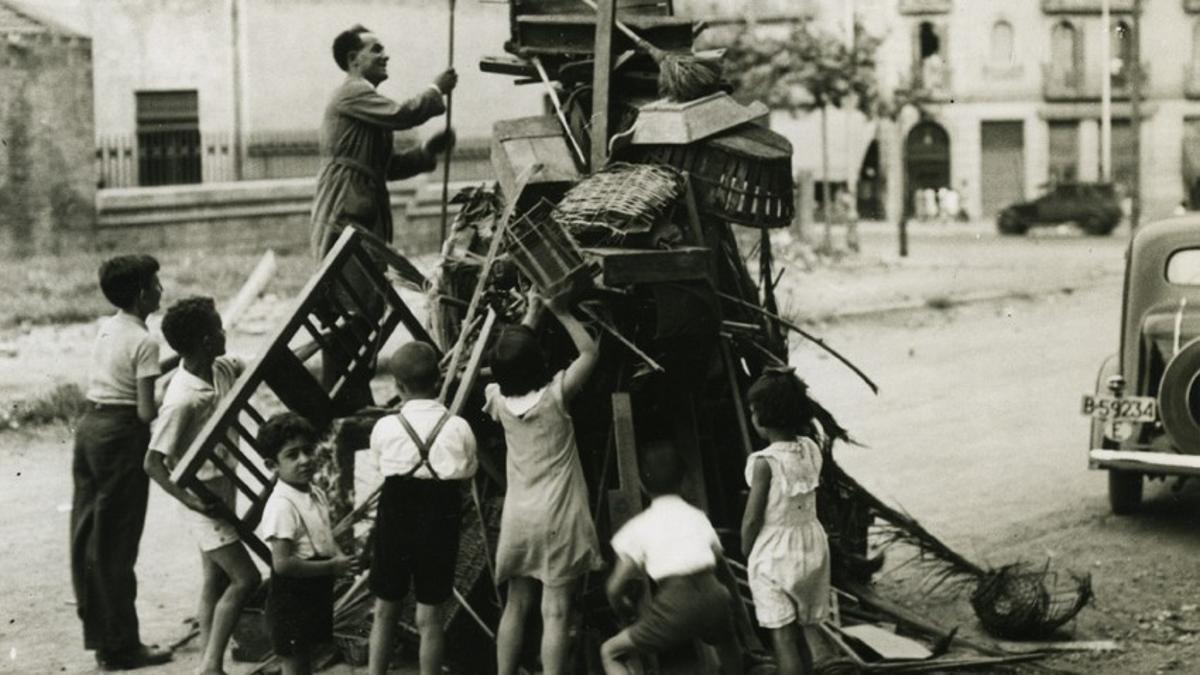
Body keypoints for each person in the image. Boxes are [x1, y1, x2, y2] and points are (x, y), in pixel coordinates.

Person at [311, 25, 458, 413]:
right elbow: (404, 114)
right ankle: (342, 405)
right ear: (353, 60)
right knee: (351, 311)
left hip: (362, 214)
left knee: (363, 311)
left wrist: (427, 154)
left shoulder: (362, 101)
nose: (385, 55)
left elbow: (384, 167)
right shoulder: (353, 92)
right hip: (345, 216)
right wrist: (436, 89)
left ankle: (351, 398)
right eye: (376, 49)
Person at [486, 291, 602, 675]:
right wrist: (560, 311)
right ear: (540, 363)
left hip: (518, 518)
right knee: (555, 610)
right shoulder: (555, 398)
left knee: (516, 604)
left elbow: (510, 360)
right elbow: (589, 353)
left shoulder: (498, 402)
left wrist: (530, 316)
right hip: (558, 517)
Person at [144, 297, 261, 675]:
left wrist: (325, 336)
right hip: (203, 501)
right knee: (246, 578)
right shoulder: (181, 399)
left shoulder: (223, 367)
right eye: (220, 328)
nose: (226, 332)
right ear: (207, 340)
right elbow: (153, 463)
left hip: (224, 490)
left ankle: (208, 664)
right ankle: (210, 666)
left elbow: (269, 363)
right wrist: (190, 501)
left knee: (214, 578)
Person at [70, 255, 172, 670]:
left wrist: (172, 364)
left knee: (89, 539)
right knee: (117, 544)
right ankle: (121, 647)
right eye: (155, 284)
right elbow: (146, 411)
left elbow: (126, 379)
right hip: (122, 439)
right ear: (141, 294)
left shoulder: (110, 327)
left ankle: (104, 639)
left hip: (91, 430)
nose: (161, 290)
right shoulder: (146, 341)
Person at [367, 341, 477, 675]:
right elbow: (469, 469)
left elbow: (378, 465)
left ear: (397, 386)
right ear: (439, 378)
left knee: (385, 608)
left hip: (396, 512)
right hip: (439, 515)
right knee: (431, 615)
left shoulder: (385, 427)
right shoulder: (457, 427)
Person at [601, 443, 741, 675]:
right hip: (714, 593)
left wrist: (623, 608)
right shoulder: (698, 517)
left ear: (641, 485)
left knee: (611, 651)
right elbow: (719, 562)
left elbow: (614, 587)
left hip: (675, 601)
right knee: (728, 644)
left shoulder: (637, 527)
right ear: (684, 480)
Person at [741, 368, 847, 675]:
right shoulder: (810, 449)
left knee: (783, 637)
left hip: (774, 554)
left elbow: (751, 518)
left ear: (761, 416)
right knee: (800, 630)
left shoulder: (765, 463)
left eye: (752, 411)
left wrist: (748, 551)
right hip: (811, 547)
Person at [257, 412, 360, 675]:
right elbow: (282, 564)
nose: (304, 460)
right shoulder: (282, 505)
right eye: (292, 455)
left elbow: (323, 534)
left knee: (311, 659)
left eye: (308, 450)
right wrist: (331, 567)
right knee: (295, 664)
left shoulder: (315, 492)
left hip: (315, 592)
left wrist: (340, 559)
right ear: (272, 465)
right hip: (291, 598)